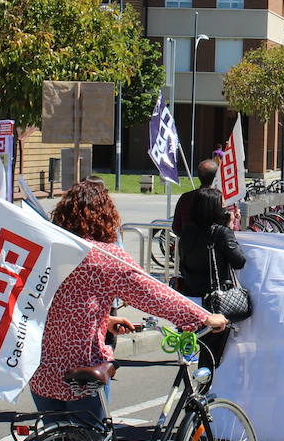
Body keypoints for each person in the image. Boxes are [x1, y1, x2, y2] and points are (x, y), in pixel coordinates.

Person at [34, 179, 227, 421]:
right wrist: (202, 316)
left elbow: (59, 307)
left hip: (43, 367)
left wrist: (105, 320)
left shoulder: (48, 250)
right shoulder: (104, 256)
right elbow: (152, 293)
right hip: (83, 363)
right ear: (105, 216)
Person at [176, 187, 247, 370]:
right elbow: (239, 261)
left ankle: (193, 390)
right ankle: (205, 393)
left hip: (190, 296)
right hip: (215, 300)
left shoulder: (186, 233)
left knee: (199, 349)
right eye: (222, 205)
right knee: (213, 355)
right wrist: (230, 229)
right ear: (214, 208)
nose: (225, 208)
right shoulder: (220, 233)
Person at [171, 157, 219, 236]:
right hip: (211, 244)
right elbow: (224, 226)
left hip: (188, 244)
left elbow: (176, 227)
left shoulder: (185, 198)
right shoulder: (218, 198)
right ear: (216, 177)